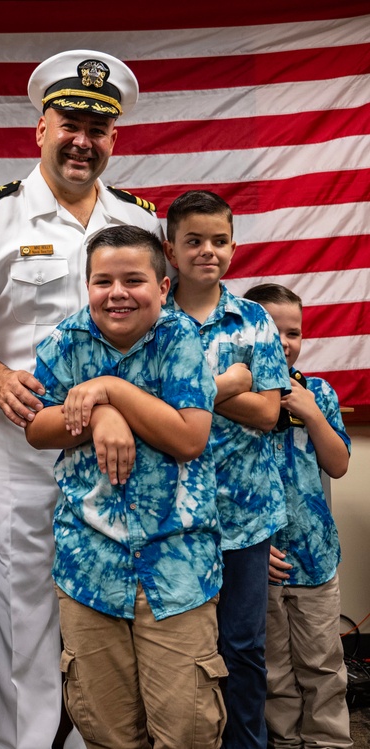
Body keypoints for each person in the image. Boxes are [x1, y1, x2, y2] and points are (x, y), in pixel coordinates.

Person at [0, 49, 160, 748]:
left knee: (110, 603)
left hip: (116, 446)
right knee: (23, 607)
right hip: (16, 443)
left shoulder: (140, 220)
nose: (83, 140)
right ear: (41, 128)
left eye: (99, 128)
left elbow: (159, 333)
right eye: (71, 123)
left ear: (114, 139)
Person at [26, 226, 225, 747]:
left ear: (163, 286)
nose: (117, 293)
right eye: (103, 281)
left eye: (134, 280)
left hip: (176, 569)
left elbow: (189, 437)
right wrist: (99, 416)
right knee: (107, 731)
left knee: (185, 729)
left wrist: (110, 389)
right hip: (89, 567)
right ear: (86, 286)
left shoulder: (181, 339)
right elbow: (37, 428)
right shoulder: (64, 342)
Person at [162, 190, 289, 749]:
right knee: (181, 648)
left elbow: (267, 412)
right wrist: (229, 381)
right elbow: (147, 404)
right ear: (170, 249)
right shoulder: (152, 318)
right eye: (193, 241)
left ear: (234, 247)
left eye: (218, 241)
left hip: (245, 517)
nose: (206, 251)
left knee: (243, 646)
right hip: (171, 515)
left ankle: (247, 743)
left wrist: (194, 394)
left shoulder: (254, 319)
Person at [241, 284, 352, 748]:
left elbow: (338, 464)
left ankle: (329, 742)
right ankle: (284, 742)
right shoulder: (237, 399)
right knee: (274, 673)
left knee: (324, 666)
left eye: (295, 332)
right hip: (260, 560)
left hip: (315, 559)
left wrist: (312, 414)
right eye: (273, 331)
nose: (285, 342)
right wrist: (253, 546)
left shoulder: (317, 392)